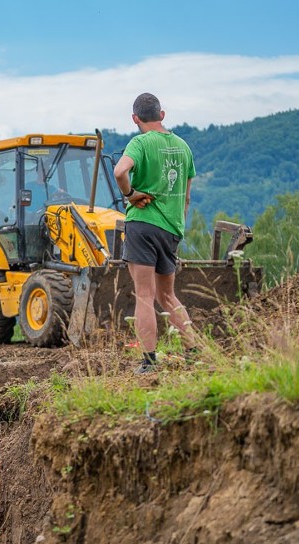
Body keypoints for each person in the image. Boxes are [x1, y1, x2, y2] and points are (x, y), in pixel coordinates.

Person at [113, 93, 197, 374]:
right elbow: (186, 197)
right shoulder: (184, 148)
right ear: (162, 115)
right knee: (169, 296)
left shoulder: (140, 143)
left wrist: (131, 194)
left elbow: (120, 171)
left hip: (143, 226)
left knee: (145, 296)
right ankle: (193, 351)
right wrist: (177, 230)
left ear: (135, 119)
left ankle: (149, 361)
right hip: (172, 229)